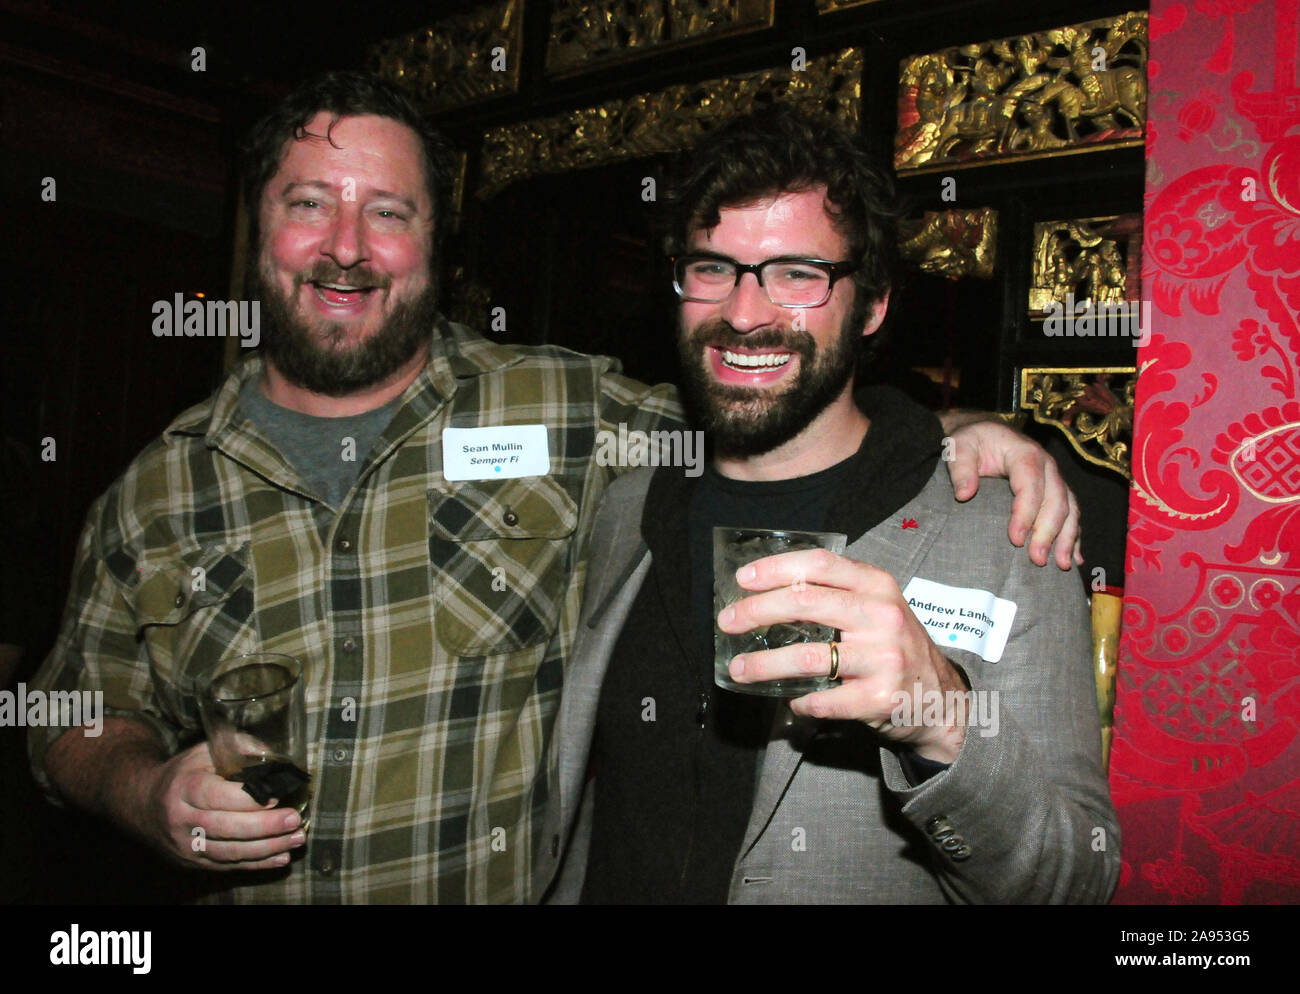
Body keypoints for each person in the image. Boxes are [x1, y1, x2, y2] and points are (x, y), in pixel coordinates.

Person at [28, 72, 1081, 904]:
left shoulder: (568, 417)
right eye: (309, 205)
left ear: (436, 245)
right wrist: (141, 788)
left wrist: (960, 427)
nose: (346, 249)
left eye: (388, 212)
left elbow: (775, 399)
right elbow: (67, 711)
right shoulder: (154, 486)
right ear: (256, 228)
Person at [540, 107, 1118, 904]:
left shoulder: (1006, 530)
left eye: (797, 274)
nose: (745, 313)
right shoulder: (629, 505)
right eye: (714, 268)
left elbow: (1074, 878)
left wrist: (943, 718)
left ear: (873, 305)